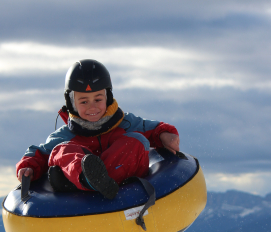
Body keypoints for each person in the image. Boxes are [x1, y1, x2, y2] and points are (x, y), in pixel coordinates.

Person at [17, 59, 180, 200]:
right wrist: (28, 167)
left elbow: (151, 128)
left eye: (97, 99)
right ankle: (88, 178)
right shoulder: (66, 135)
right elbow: (40, 152)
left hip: (119, 183)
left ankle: (97, 181)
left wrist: (165, 134)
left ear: (108, 97)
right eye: (84, 102)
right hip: (82, 180)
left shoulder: (126, 122)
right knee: (61, 150)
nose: (92, 106)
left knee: (138, 141)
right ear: (72, 103)